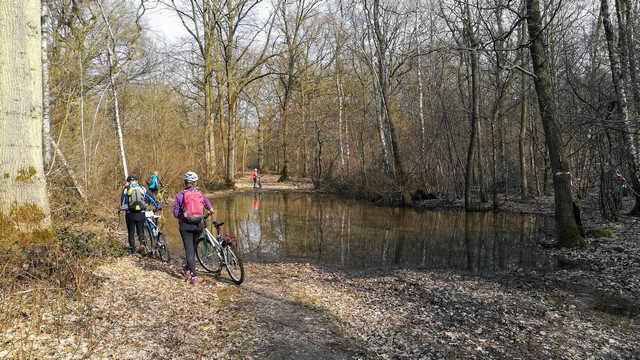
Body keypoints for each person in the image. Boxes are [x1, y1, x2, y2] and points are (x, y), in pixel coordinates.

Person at [173, 171, 213, 285]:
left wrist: (182, 215)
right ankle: (187, 268)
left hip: (186, 226)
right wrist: (210, 209)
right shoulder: (200, 193)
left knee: (189, 250)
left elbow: (175, 214)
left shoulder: (180, 195)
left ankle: (193, 276)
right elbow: (207, 203)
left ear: (185, 182)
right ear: (195, 183)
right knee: (193, 247)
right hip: (199, 225)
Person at [119, 175, 161, 253]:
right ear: (137, 181)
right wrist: (157, 206)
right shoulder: (142, 188)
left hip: (130, 214)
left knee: (131, 232)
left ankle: (133, 249)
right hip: (141, 213)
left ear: (128, 182)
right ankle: (142, 244)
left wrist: (122, 209)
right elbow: (151, 198)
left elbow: (123, 203)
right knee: (140, 230)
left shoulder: (126, 190)